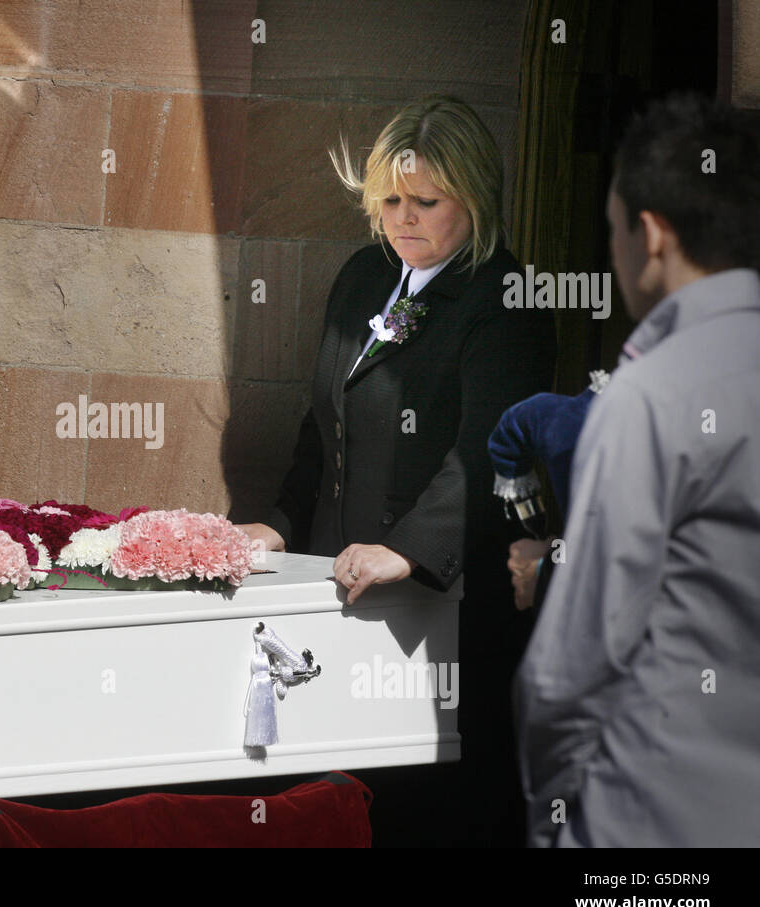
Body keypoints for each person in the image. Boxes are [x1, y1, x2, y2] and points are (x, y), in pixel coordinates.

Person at [239, 96, 556, 846]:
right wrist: (283, 522)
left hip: (440, 615)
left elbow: (491, 449)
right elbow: (324, 424)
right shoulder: (363, 278)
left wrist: (408, 548)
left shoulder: (503, 300)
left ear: (474, 199)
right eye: (389, 200)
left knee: (424, 814)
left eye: (426, 202)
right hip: (342, 599)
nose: (403, 218)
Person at [516, 94, 760, 847]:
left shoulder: (651, 392)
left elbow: (568, 670)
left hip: (652, 826)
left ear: (650, 235)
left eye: (613, 228)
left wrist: (555, 817)